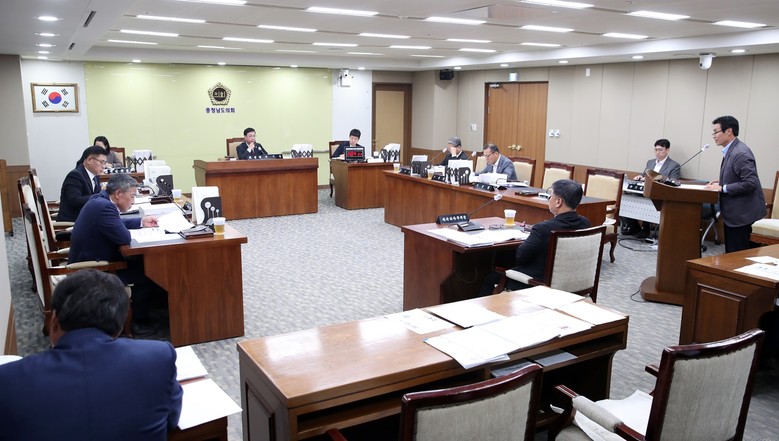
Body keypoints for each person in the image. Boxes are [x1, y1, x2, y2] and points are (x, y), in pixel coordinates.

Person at [0, 269, 182, 440]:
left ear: (53, 321)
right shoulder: (158, 357)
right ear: (119, 327)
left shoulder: (7, 380)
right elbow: (171, 420)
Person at [68, 173, 163, 336]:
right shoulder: (105, 207)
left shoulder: (100, 199)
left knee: (142, 264)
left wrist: (141, 222)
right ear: (118, 193)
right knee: (146, 273)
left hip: (88, 259)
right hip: (93, 269)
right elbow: (124, 238)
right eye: (132, 196)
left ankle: (147, 312)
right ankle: (138, 323)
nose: (133, 201)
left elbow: (113, 223)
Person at [479, 179, 591, 295]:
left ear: (558, 202)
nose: (549, 199)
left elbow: (521, 257)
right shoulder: (586, 224)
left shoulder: (543, 228)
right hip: (572, 283)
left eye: (550, 196)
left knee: (491, 278)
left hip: (538, 284)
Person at [704, 115, 766, 253]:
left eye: (716, 132)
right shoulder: (732, 150)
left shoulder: (740, 152)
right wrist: (722, 182)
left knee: (737, 255)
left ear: (728, 131)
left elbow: (750, 182)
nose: (714, 136)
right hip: (735, 213)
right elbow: (738, 176)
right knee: (732, 254)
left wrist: (723, 187)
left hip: (742, 214)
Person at [623, 139, 681, 237]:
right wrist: (640, 177)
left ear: (667, 150)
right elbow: (644, 175)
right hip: (645, 190)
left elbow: (673, 181)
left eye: (660, 150)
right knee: (627, 198)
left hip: (660, 193)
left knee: (647, 201)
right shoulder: (650, 162)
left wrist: (658, 178)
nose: (657, 152)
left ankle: (645, 228)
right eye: (656, 150)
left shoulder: (674, 165)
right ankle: (633, 226)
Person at [57, 145, 107, 222]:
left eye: (105, 163)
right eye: (101, 162)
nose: (104, 166)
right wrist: (100, 196)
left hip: (88, 218)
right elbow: (75, 201)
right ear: (89, 160)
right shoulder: (75, 175)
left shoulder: (95, 176)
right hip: (73, 221)